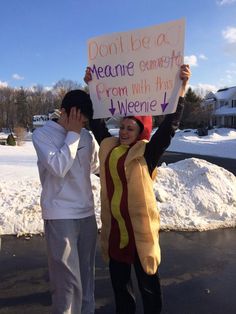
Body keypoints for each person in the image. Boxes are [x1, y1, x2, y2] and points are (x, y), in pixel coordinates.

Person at [84, 64, 191, 314]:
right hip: (116, 233)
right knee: (121, 290)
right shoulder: (109, 146)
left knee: (148, 289)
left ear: (140, 131)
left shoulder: (147, 153)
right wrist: (92, 87)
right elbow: (97, 123)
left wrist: (182, 89)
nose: (122, 132)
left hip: (139, 233)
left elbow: (168, 128)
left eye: (129, 128)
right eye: (122, 127)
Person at [32, 90, 99, 314]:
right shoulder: (42, 135)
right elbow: (59, 167)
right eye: (76, 118)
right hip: (60, 215)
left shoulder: (87, 137)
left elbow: (97, 166)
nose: (80, 124)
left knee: (87, 278)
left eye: (84, 121)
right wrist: (72, 134)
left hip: (87, 214)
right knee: (67, 285)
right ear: (63, 112)